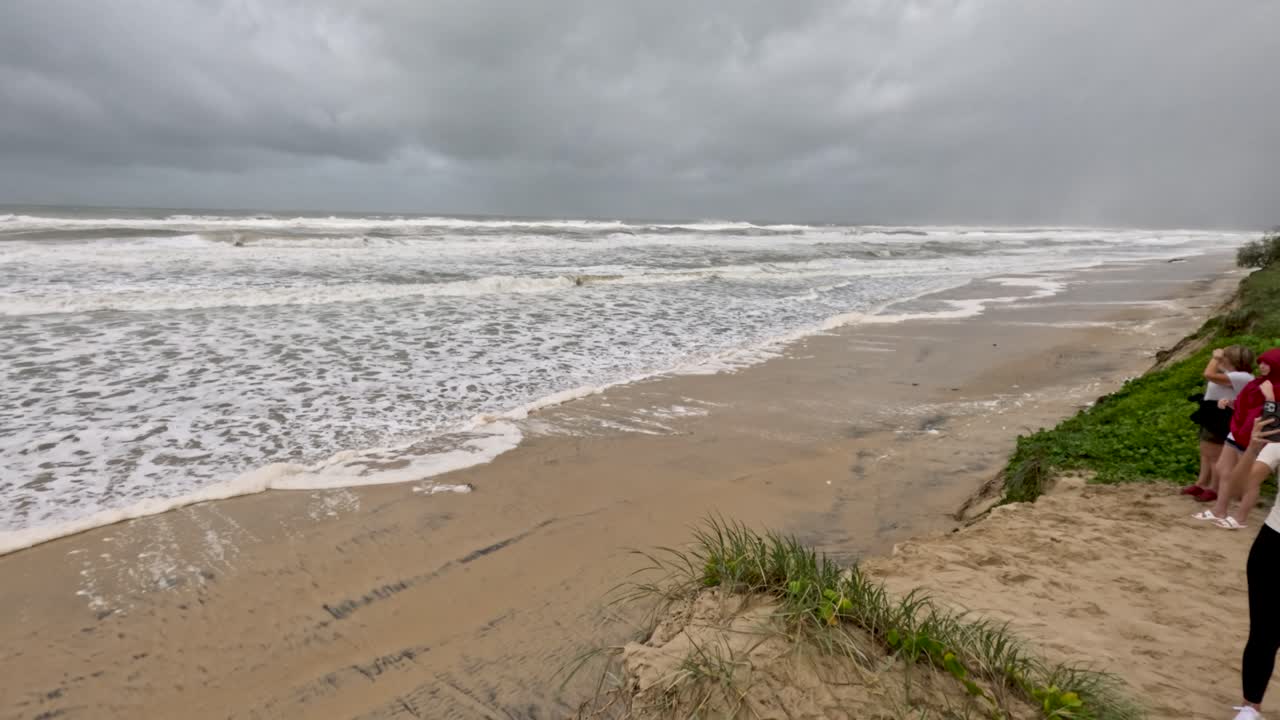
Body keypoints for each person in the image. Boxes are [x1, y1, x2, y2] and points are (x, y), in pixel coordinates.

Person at [1223, 405, 1280, 720]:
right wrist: (1254, 449)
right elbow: (1237, 489)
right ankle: (1250, 707)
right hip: (1274, 546)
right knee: (1264, 632)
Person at [1196, 348, 1280, 528]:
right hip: (1238, 431)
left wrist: (1270, 398)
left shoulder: (1275, 387)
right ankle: (1219, 509)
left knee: (1250, 478)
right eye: (1261, 363)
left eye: (1267, 363)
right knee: (1223, 469)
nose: (1262, 366)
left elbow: (1272, 420)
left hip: (1256, 438)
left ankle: (1241, 518)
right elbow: (1247, 406)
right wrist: (1231, 403)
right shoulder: (1257, 383)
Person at [1184, 346, 1256, 501]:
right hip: (1213, 413)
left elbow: (1208, 374)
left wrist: (1216, 358)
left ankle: (1214, 488)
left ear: (1233, 360)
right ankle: (1201, 483)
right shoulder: (1233, 375)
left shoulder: (1242, 377)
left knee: (1214, 454)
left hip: (1221, 416)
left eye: (1226, 357)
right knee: (1205, 452)